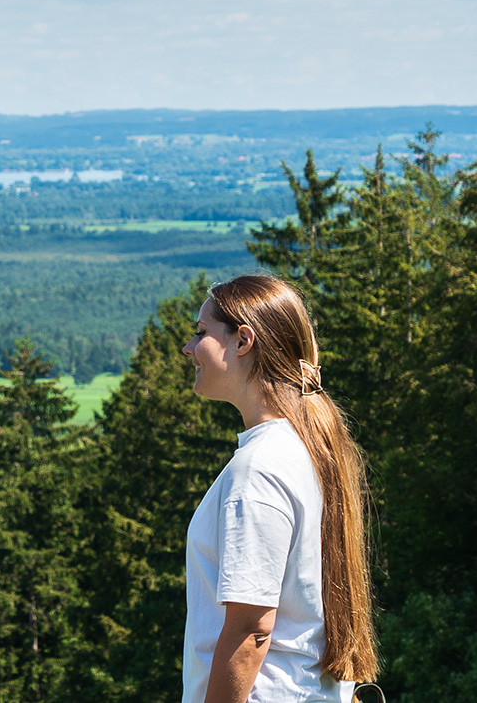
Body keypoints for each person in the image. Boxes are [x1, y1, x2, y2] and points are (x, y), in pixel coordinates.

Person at [180, 274, 378, 703]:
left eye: (201, 333)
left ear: (243, 341)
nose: (188, 348)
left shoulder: (259, 468)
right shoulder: (305, 448)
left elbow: (251, 630)